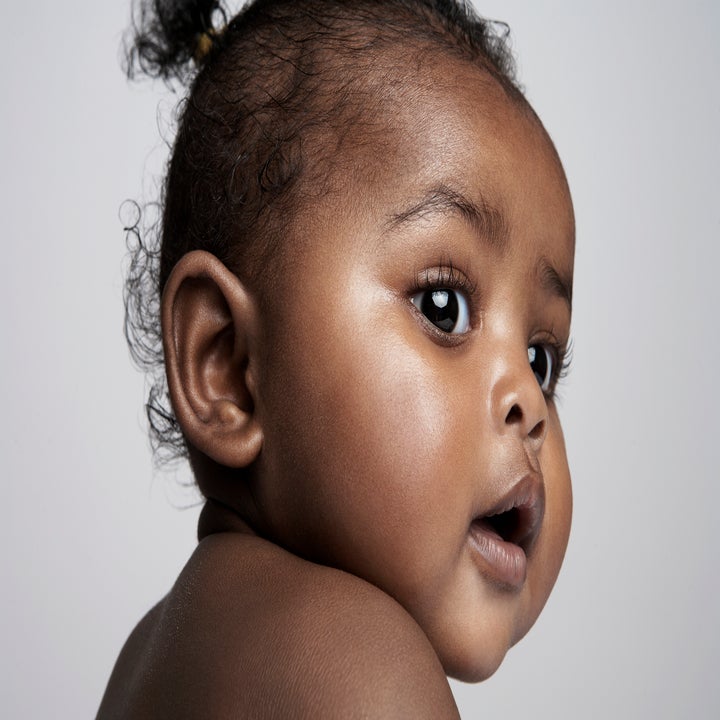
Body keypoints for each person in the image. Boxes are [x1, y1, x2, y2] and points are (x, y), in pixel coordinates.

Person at [97, 0, 575, 716]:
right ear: (225, 364)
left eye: (542, 358)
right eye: (445, 309)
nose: (528, 402)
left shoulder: (149, 656)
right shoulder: (361, 667)